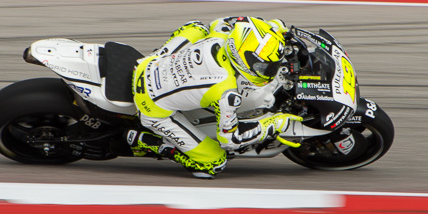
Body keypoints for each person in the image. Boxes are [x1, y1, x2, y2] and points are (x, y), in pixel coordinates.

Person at [126, 16, 302, 178]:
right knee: (213, 164)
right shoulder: (226, 91)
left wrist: (273, 28)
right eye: (263, 67)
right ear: (242, 59)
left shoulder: (222, 33)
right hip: (151, 105)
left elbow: (225, 21)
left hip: (149, 64)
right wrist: (272, 125)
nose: (268, 71)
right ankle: (148, 141)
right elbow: (230, 140)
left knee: (196, 26)